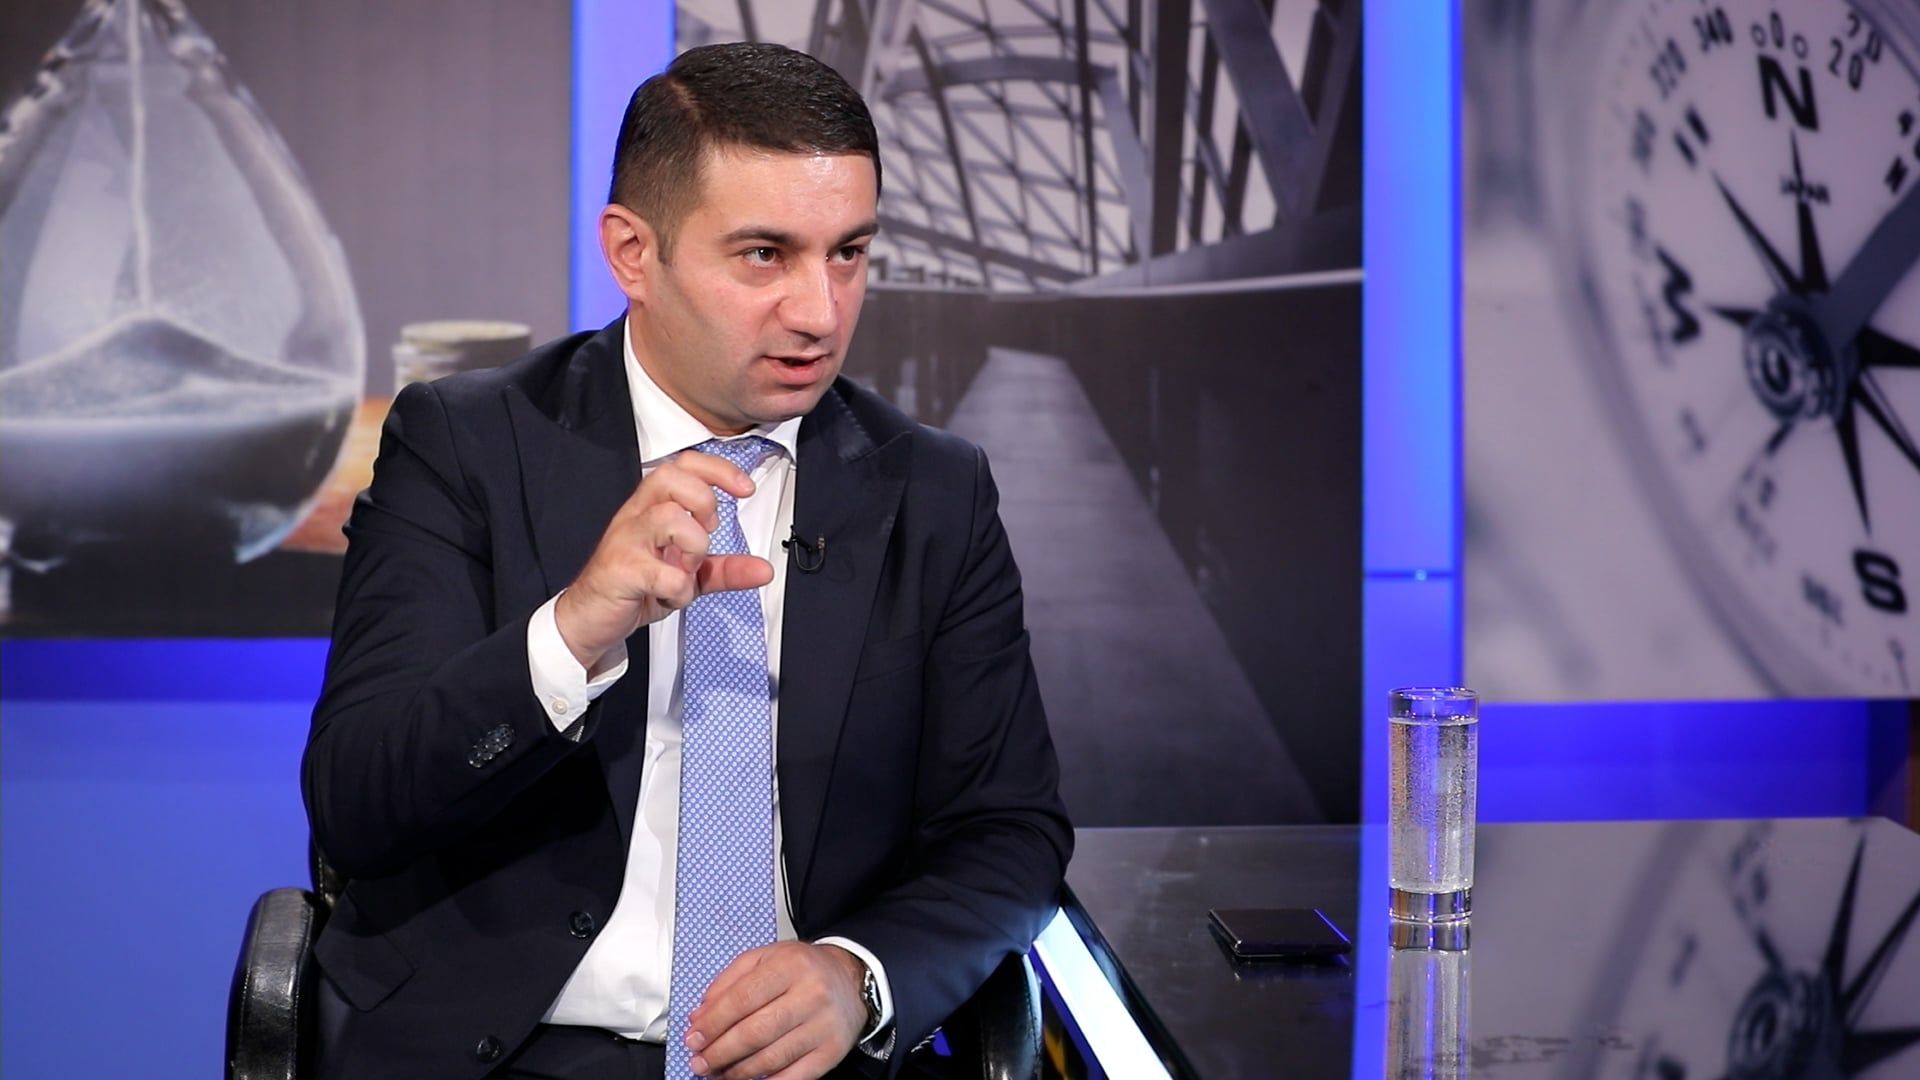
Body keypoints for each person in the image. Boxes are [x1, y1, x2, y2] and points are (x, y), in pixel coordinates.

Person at [302, 41, 1071, 1080]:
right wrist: (572, 630)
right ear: (633, 253)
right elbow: (357, 802)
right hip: (505, 1052)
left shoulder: (934, 490)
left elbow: (1009, 830)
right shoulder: (464, 443)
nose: (820, 312)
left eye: (848, 252)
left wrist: (858, 974)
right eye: (765, 255)